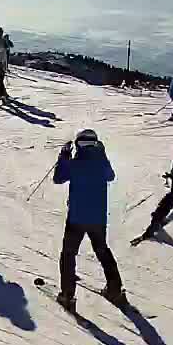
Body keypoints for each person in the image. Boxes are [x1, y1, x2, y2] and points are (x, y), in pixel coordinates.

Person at [52, 129, 122, 308]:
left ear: (78, 145)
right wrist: (103, 153)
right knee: (102, 249)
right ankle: (114, 288)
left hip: (76, 217)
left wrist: (63, 157)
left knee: (68, 253)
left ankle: (67, 295)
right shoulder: (101, 162)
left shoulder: (75, 163)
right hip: (97, 218)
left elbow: (58, 178)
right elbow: (110, 176)